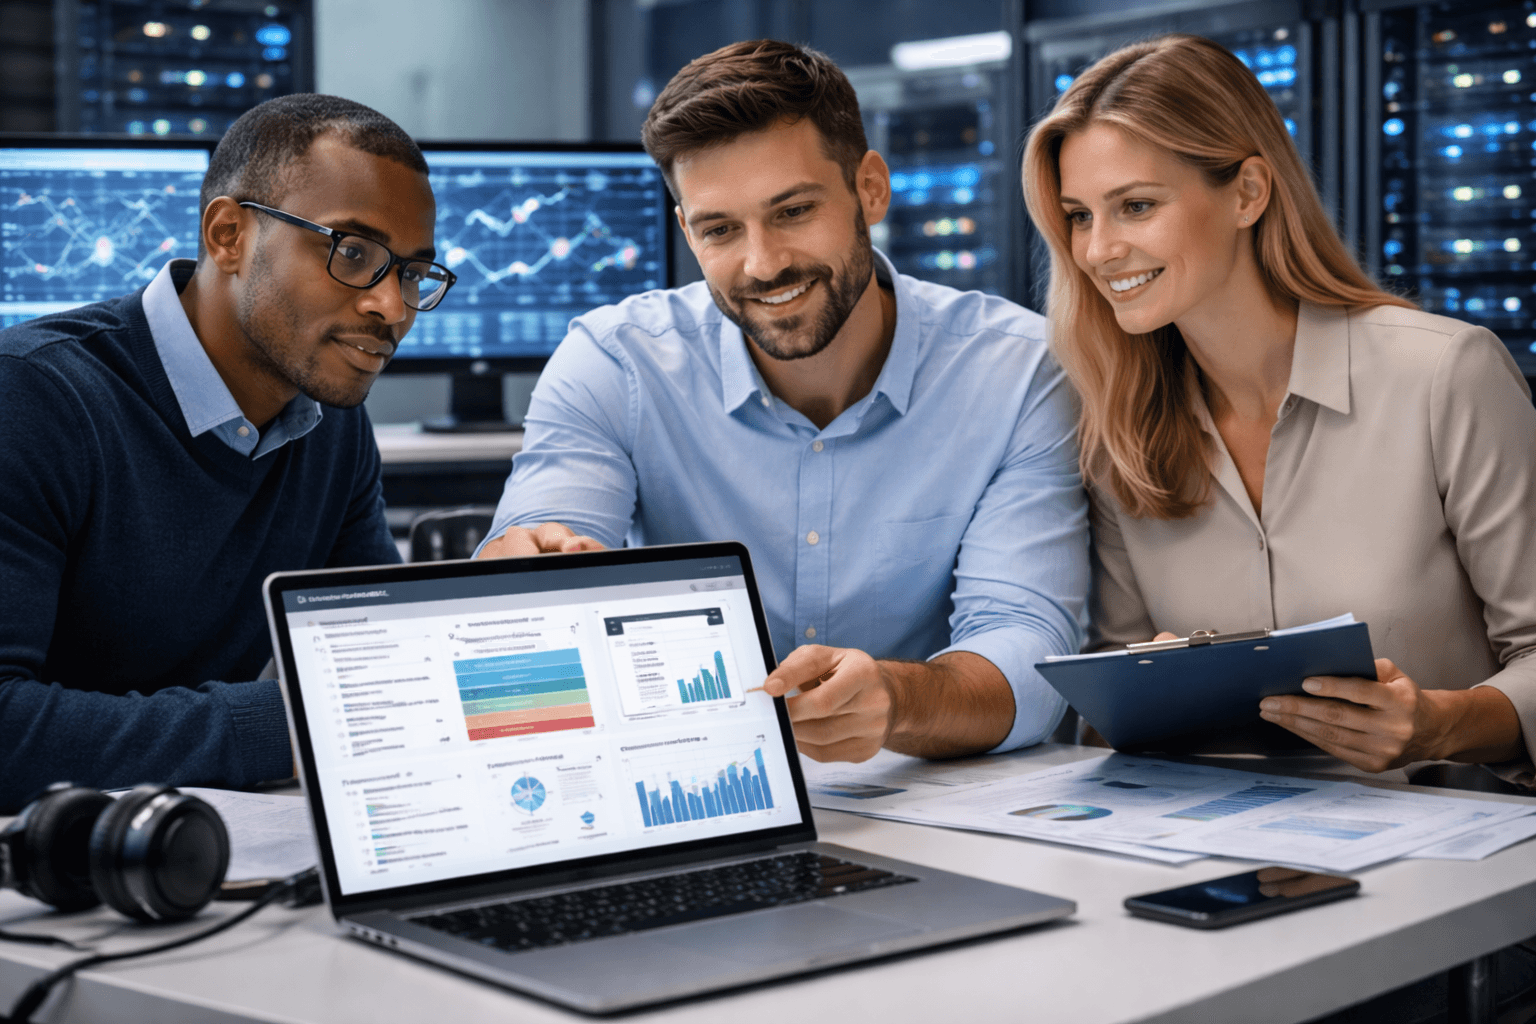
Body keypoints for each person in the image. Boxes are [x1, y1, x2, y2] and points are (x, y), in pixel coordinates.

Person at [478, 40, 1088, 763]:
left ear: (870, 188)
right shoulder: (616, 361)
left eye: (793, 210)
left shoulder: (1018, 371)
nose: (763, 263)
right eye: (720, 229)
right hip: (699, 785)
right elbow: (541, 534)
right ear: (686, 231)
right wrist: (527, 562)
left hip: (927, 791)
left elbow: (1030, 647)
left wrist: (896, 700)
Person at [1022, 34, 1536, 778]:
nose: (1098, 251)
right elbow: (1109, 719)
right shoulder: (1117, 425)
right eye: (1078, 216)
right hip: (1218, 846)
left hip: (1451, 842)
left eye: (1134, 206)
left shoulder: (1444, 376)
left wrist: (1435, 723)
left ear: (1248, 193)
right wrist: (1144, 688)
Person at [0, 94, 455, 811]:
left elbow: (373, 670)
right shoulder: (32, 396)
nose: (392, 309)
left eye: (410, 273)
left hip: (222, 843)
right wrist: (292, 721)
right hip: (58, 873)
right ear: (228, 236)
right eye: (353, 252)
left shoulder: (329, 417)